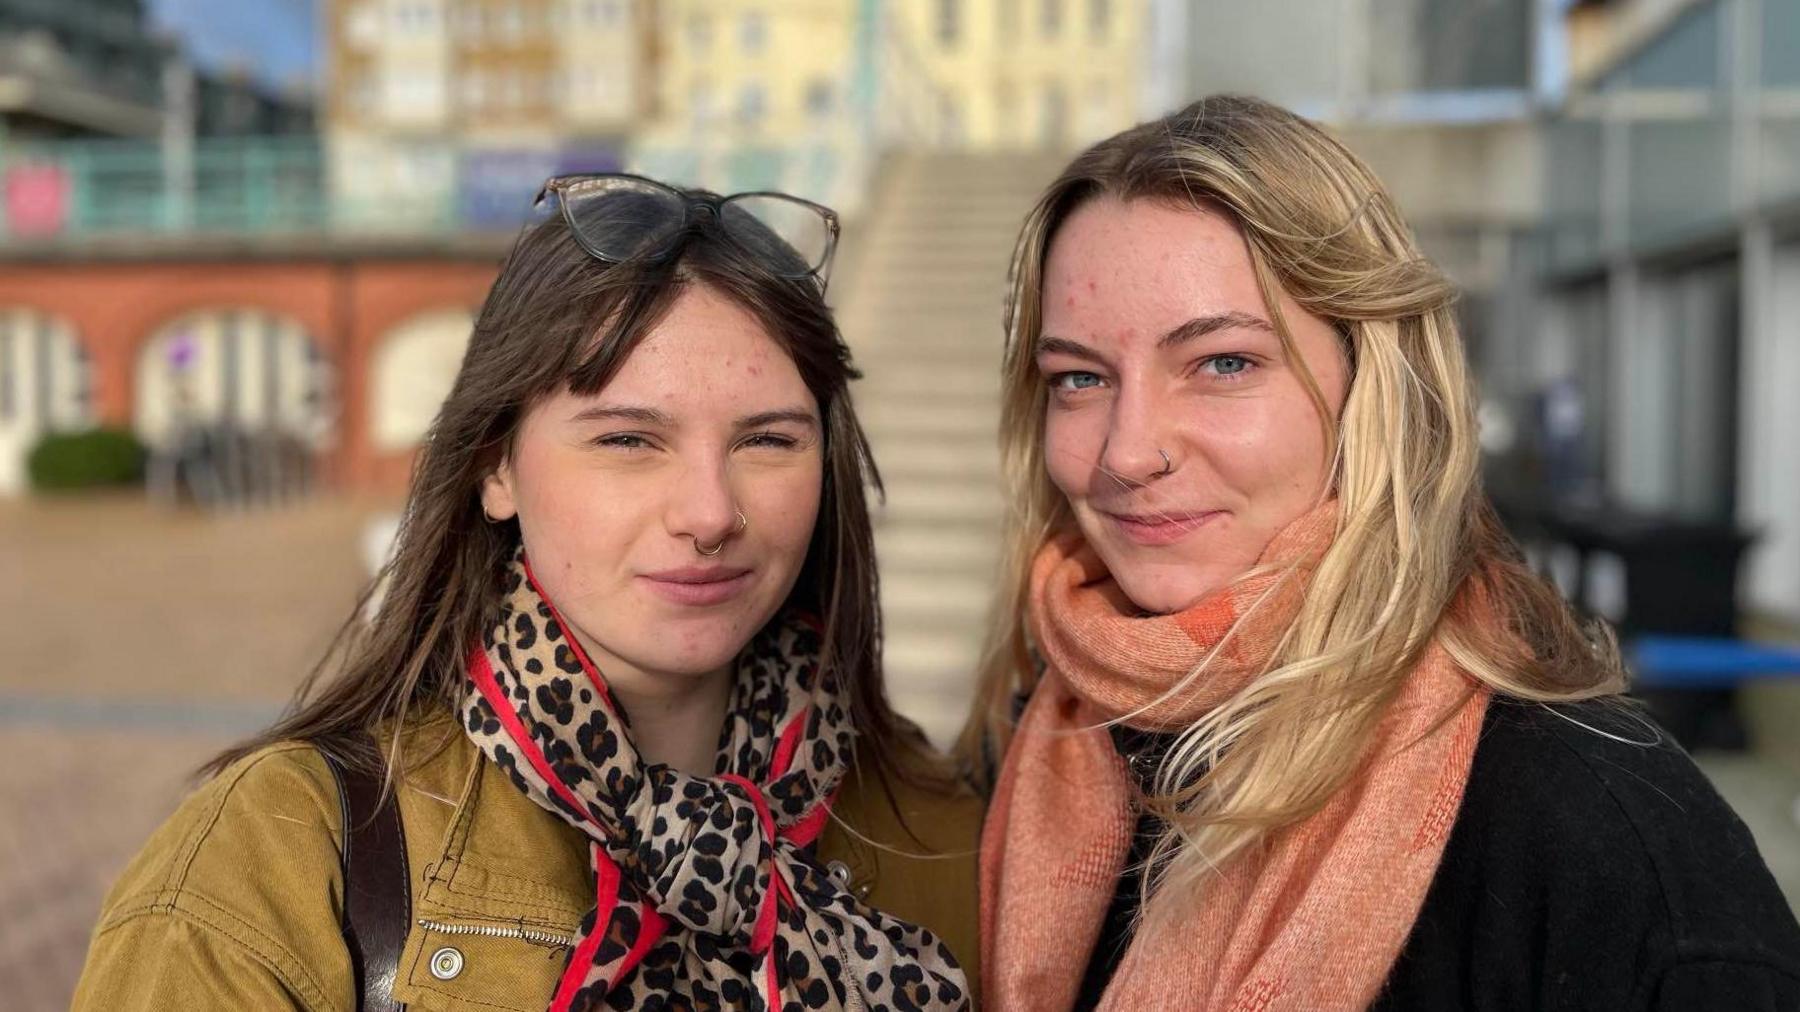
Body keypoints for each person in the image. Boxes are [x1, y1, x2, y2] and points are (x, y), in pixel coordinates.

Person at [965, 95, 1800, 1011]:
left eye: (1224, 363)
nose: (1128, 451)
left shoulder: (1604, 841)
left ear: (1377, 385)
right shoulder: (1027, 750)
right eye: (1079, 378)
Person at [74, 175, 978, 1011]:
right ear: (494, 465)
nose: (710, 513)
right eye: (628, 440)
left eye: (769, 441)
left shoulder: (941, 835)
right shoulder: (268, 866)